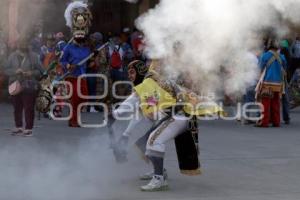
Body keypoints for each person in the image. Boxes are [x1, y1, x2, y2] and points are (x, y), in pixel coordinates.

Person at [113, 60, 222, 191]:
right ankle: (159, 172)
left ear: (140, 71)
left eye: (132, 72)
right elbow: (142, 111)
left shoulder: (148, 83)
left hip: (178, 116)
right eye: (128, 73)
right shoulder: (151, 82)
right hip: (172, 116)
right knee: (144, 143)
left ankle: (159, 179)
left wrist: (114, 114)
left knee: (153, 142)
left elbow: (135, 104)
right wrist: (126, 133)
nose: (129, 76)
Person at [60, 1, 92, 127]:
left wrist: (93, 58)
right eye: (77, 34)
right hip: (71, 76)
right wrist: (68, 65)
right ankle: (73, 120)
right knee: (75, 99)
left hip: (82, 75)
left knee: (83, 98)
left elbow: (89, 62)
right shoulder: (68, 48)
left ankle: (75, 118)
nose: (79, 36)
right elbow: (62, 60)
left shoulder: (87, 49)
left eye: (81, 35)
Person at [5, 38, 42, 136]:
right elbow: (6, 70)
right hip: (15, 84)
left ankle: (29, 128)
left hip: (29, 85)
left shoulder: (34, 56)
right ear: (18, 45)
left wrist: (31, 73)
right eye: (22, 43)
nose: (24, 45)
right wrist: (15, 71)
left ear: (29, 45)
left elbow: (40, 71)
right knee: (17, 107)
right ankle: (18, 127)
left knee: (29, 107)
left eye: (26, 43)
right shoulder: (12, 56)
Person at [255, 39, 287, 127]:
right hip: (278, 83)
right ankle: (276, 122)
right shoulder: (282, 56)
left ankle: (264, 122)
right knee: (276, 103)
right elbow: (284, 68)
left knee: (265, 103)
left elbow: (260, 69)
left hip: (267, 83)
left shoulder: (265, 56)